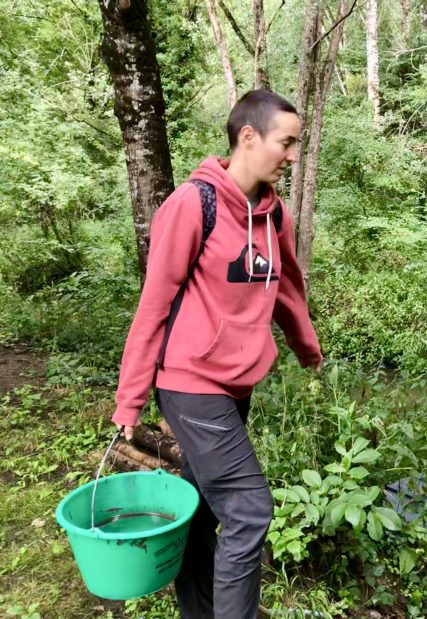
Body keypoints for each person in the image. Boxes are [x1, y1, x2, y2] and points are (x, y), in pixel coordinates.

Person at [112, 89, 323, 619]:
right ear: (248, 137)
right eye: (287, 142)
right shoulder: (192, 205)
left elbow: (289, 290)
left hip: (235, 387)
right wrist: (130, 400)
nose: (293, 156)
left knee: (206, 512)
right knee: (250, 510)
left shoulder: (274, 219)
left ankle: (199, 611)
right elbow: (153, 307)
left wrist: (306, 349)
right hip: (188, 384)